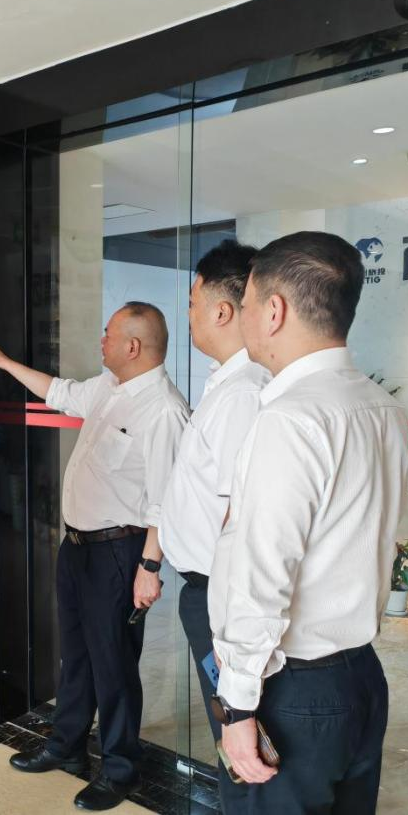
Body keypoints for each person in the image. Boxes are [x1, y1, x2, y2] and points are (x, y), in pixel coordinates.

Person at [208, 232, 408, 813]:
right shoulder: (382, 407)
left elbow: (262, 571)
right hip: (359, 675)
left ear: (274, 311)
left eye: (247, 303)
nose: (244, 317)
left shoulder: (290, 418)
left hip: (294, 690)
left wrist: (238, 707)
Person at [0, 302, 188, 811]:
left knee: (113, 664)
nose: (101, 341)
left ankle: (120, 770)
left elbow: (166, 501)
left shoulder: (163, 410)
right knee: (76, 656)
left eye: (108, 334)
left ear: (132, 346)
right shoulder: (109, 387)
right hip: (77, 548)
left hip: (119, 553)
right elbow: (59, 392)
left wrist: (149, 568)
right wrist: (1, 362)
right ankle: (67, 747)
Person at [131, 241, 269, 766]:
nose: (187, 314)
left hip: (222, 597)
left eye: (192, 303)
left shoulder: (243, 394)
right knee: (228, 729)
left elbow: (244, 518)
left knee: (239, 735)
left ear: (222, 311)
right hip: (205, 592)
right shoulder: (226, 384)